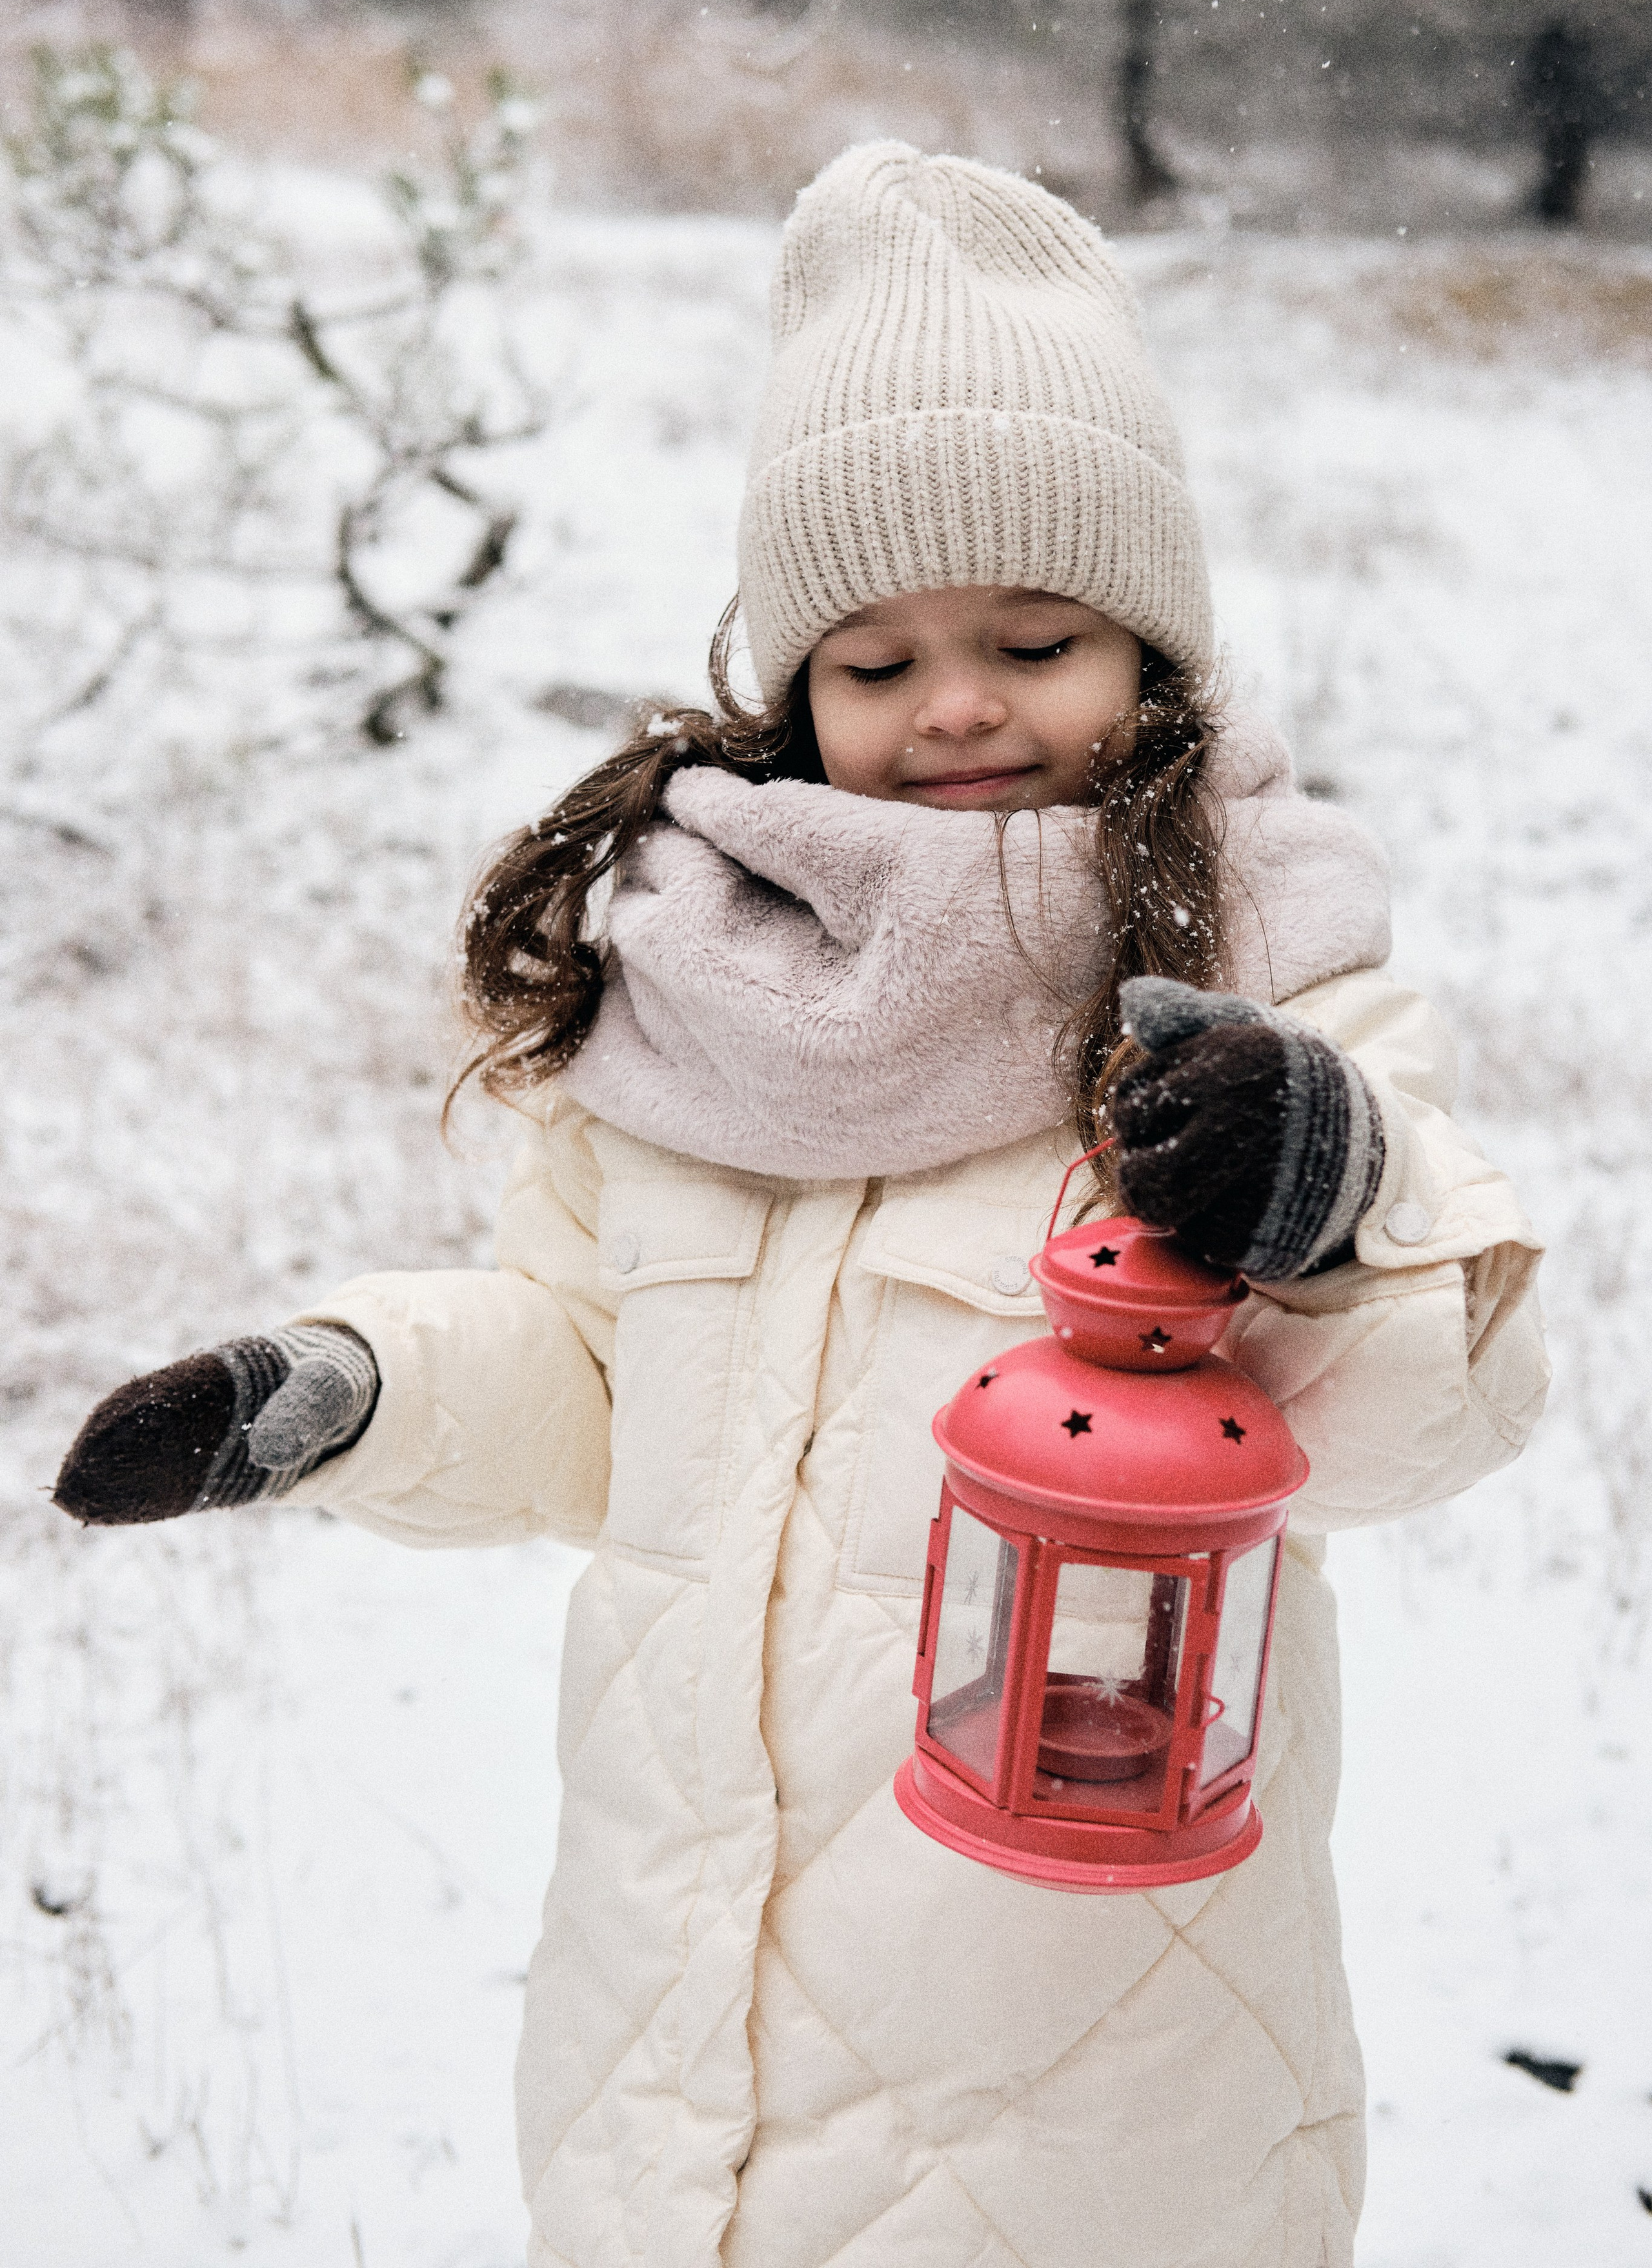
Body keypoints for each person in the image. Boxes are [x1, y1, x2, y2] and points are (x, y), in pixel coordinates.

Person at [54, 143, 1547, 2268]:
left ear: (1153, 649)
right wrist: (343, 1389)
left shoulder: (1256, 987)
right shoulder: (696, 994)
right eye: (873, 658)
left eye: (1033, 636)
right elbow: (593, 1371)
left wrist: (1329, 1186)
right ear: (789, 688)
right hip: (670, 2033)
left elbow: (1426, 1412)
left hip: (1081, 2058)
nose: (953, 703)